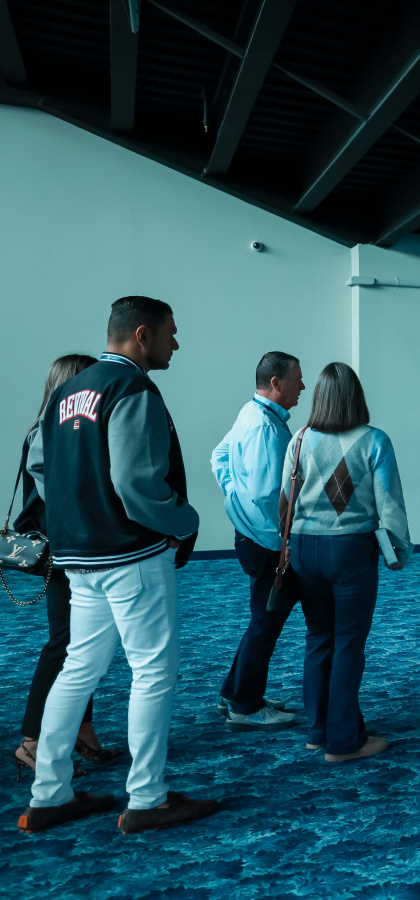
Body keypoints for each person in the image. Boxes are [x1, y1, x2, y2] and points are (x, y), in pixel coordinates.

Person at [18, 296, 216, 835]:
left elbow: (39, 463)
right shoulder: (132, 388)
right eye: (171, 334)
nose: (176, 344)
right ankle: (147, 798)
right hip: (131, 554)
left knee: (78, 668)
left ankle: (49, 794)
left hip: (77, 556)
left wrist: (75, 510)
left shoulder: (66, 390)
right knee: (152, 671)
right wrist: (185, 520)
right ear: (142, 334)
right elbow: (134, 483)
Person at [285, 363, 411, 763]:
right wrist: (399, 550)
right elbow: (389, 502)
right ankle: (344, 742)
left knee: (318, 637)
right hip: (351, 549)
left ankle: (318, 732)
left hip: (304, 548)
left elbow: (284, 499)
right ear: (356, 397)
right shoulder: (374, 440)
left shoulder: (299, 438)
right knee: (349, 643)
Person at [13, 354, 121, 781]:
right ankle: (31, 742)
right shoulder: (50, 432)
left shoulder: (58, 430)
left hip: (72, 548)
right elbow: (63, 494)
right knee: (64, 643)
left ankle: (81, 729)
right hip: (63, 550)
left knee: (81, 643)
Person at [209, 351, 305, 732]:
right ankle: (245, 706)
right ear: (276, 383)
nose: (303, 386)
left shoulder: (251, 413)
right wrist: (284, 544)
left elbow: (218, 457)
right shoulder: (264, 427)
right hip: (267, 543)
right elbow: (268, 496)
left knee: (261, 620)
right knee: (266, 623)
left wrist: (233, 496)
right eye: (297, 379)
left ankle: (235, 692)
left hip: (253, 535)